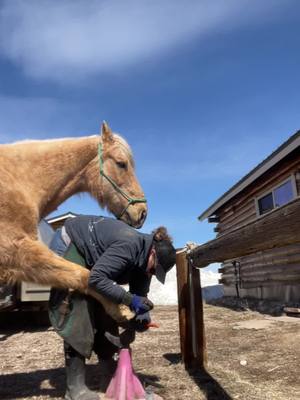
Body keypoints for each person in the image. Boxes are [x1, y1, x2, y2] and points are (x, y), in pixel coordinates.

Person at [48, 215, 176, 400]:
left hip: (94, 260)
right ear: (153, 254)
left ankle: (109, 377)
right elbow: (98, 279)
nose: (152, 273)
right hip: (71, 243)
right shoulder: (129, 245)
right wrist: (129, 299)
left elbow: (139, 296)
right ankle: (75, 389)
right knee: (78, 307)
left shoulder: (145, 263)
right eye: (154, 269)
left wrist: (140, 317)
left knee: (105, 308)